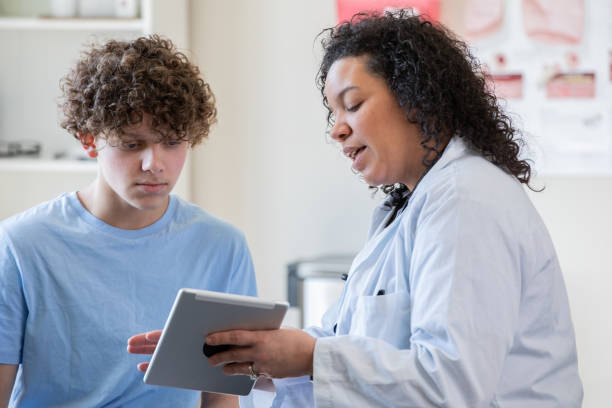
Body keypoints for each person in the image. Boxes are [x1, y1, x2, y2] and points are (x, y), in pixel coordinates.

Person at [129, 11, 583, 407]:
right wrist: (248, 356)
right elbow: (351, 346)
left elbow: (453, 386)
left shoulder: (467, 199)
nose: (337, 131)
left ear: (416, 97)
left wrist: (310, 357)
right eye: (333, 113)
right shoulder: (405, 209)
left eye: (354, 105)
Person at [0, 36, 256, 407]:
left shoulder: (221, 246)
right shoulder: (20, 245)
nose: (154, 163)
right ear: (89, 140)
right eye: (132, 144)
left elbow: (220, 399)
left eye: (171, 142)